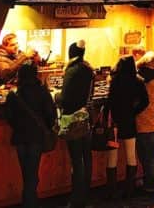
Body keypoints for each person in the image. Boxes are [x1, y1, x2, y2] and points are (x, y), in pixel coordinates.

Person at [5, 63, 56, 208]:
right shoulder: (42, 92)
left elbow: (9, 117)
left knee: (26, 173)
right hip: (36, 137)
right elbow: (50, 114)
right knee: (32, 173)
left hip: (20, 137)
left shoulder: (13, 94)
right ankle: (30, 202)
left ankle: (29, 201)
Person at [105, 54, 149, 199]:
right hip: (129, 121)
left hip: (115, 123)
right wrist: (134, 111)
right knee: (131, 155)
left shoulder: (114, 80)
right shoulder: (138, 81)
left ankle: (111, 190)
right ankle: (129, 189)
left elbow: (109, 101)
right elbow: (145, 101)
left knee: (112, 156)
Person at [61, 40, 94, 208]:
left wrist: (54, 97)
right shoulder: (89, 69)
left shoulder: (71, 71)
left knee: (76, 159)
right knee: (86, 157)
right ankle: (85, 194)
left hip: (72, 119)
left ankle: (76, 198)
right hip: (85, 118)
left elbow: (64, 98)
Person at [134, 49, 154, 194]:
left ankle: (149, 184)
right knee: (151, 152)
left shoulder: (143, 75)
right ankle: (152, 181)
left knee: (145, 153)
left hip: (143, 118)